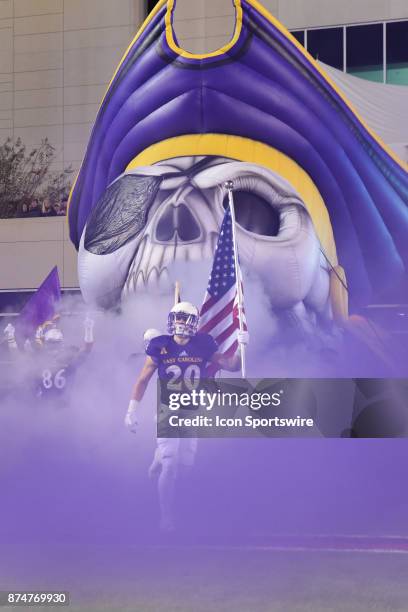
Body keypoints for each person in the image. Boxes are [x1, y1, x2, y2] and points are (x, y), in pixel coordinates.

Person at [125, 301, 249, 532]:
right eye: (178, 317)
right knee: (171, 465)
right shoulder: (160, 345)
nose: (181, 321)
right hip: (167, 410)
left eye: (185, 317)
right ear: (171, 319)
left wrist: (241, 348)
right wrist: (131, 410)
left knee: (186, 466)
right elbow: (143, 379)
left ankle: (160, 458)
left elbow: (231, 365)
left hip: (192, 411)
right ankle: (166, 516)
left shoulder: (203, 344)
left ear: (193, 322)